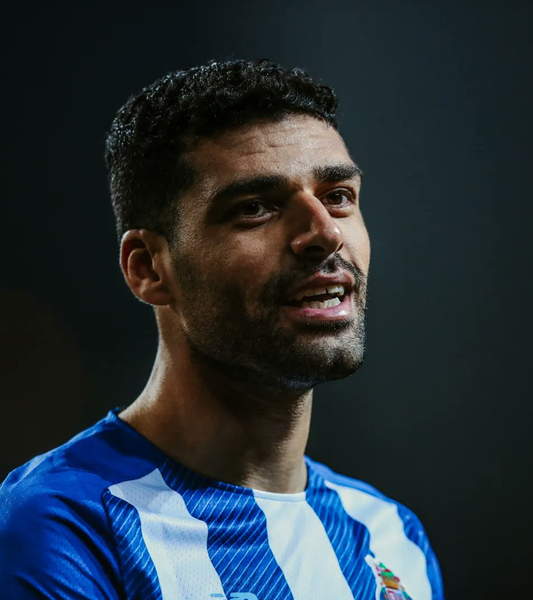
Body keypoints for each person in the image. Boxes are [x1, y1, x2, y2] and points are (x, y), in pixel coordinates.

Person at [0, 60, 444, 600]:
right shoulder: (61, 528)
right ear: (149, 268)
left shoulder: (393, 538)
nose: (325, 233)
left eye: (338, 196)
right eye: (255, 208)